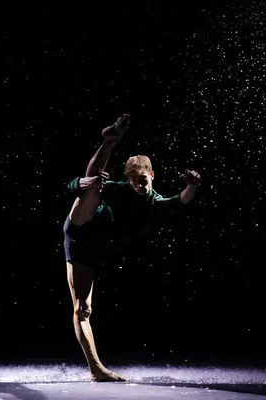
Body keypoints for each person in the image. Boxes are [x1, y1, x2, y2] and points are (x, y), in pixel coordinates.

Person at [63, 113, 202, 382]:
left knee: (85, 310)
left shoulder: (154, 203)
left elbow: (180, 202)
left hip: (95, 248)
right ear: (128, 179)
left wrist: (192, 186)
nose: (139, 185)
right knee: (94, 186)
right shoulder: (118, 189)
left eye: (143, 179)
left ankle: (95, 369)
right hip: (81, 231)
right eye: (134, 180)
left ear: (152, 174)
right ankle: (110, 142)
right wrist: (81, 183)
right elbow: (70, 186)